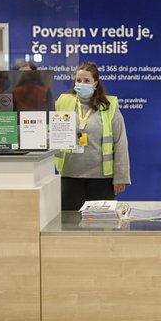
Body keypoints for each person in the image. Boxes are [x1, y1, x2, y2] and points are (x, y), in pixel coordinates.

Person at [55, 61, 131, 210]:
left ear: (95, 83)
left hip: (101, 179)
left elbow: (120, 142)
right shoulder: (63, 102)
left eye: (86, 81)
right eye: (78, 80)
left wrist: (121, 177)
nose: (81, 84)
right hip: (70, 175)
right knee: (69, 225)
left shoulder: (109, 105)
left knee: (100, 226)